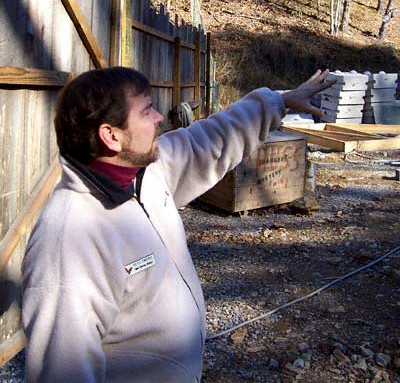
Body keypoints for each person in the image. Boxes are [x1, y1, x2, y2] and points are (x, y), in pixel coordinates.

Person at [22, 66, 333, 383]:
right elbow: (62, 370)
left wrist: (279, 102)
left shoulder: (144, 173)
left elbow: (210, 140)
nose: (158, 118)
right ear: (111, 136)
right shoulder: (68, 239)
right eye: (146, 111)